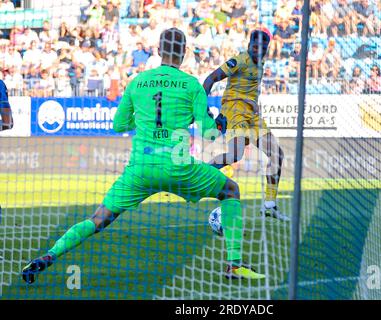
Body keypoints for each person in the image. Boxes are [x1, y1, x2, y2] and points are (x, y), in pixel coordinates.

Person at [21, 28, 265, 284]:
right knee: (229, 190)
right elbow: (208, 133)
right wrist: (220, 125)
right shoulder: (192, 85)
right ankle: (233, 264)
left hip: (141, 168)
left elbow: (119, 125)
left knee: (99, 218)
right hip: (179, 166)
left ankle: (50, 255)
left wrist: (147, 119)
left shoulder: (137, 82)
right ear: (183, 52)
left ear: (159, 51)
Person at [202, 29, 289, 222]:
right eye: (255, 46)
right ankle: (201, 173)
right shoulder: (239, 60)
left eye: (262, 47)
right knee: (235, 154)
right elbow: (210, 79)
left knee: (277, 154)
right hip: (235, 109)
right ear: (249, 45)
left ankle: (269, 205)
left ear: (267, 48)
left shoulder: (261, 63)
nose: (258, 50)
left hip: (252, 114)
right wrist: (203, 108)